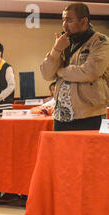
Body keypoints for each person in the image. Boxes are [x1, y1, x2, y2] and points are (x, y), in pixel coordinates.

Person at [40, 3, 108, 131]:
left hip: (89, 115)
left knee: (88, 152)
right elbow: (47, 74)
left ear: (84, 21)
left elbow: (89, 72)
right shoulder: (63, 42)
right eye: (63, 20)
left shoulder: (100, 42)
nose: (64, 25)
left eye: (69, 20)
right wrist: (56, 50)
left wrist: (60, 72)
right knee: (61, 151)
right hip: (61, 116)